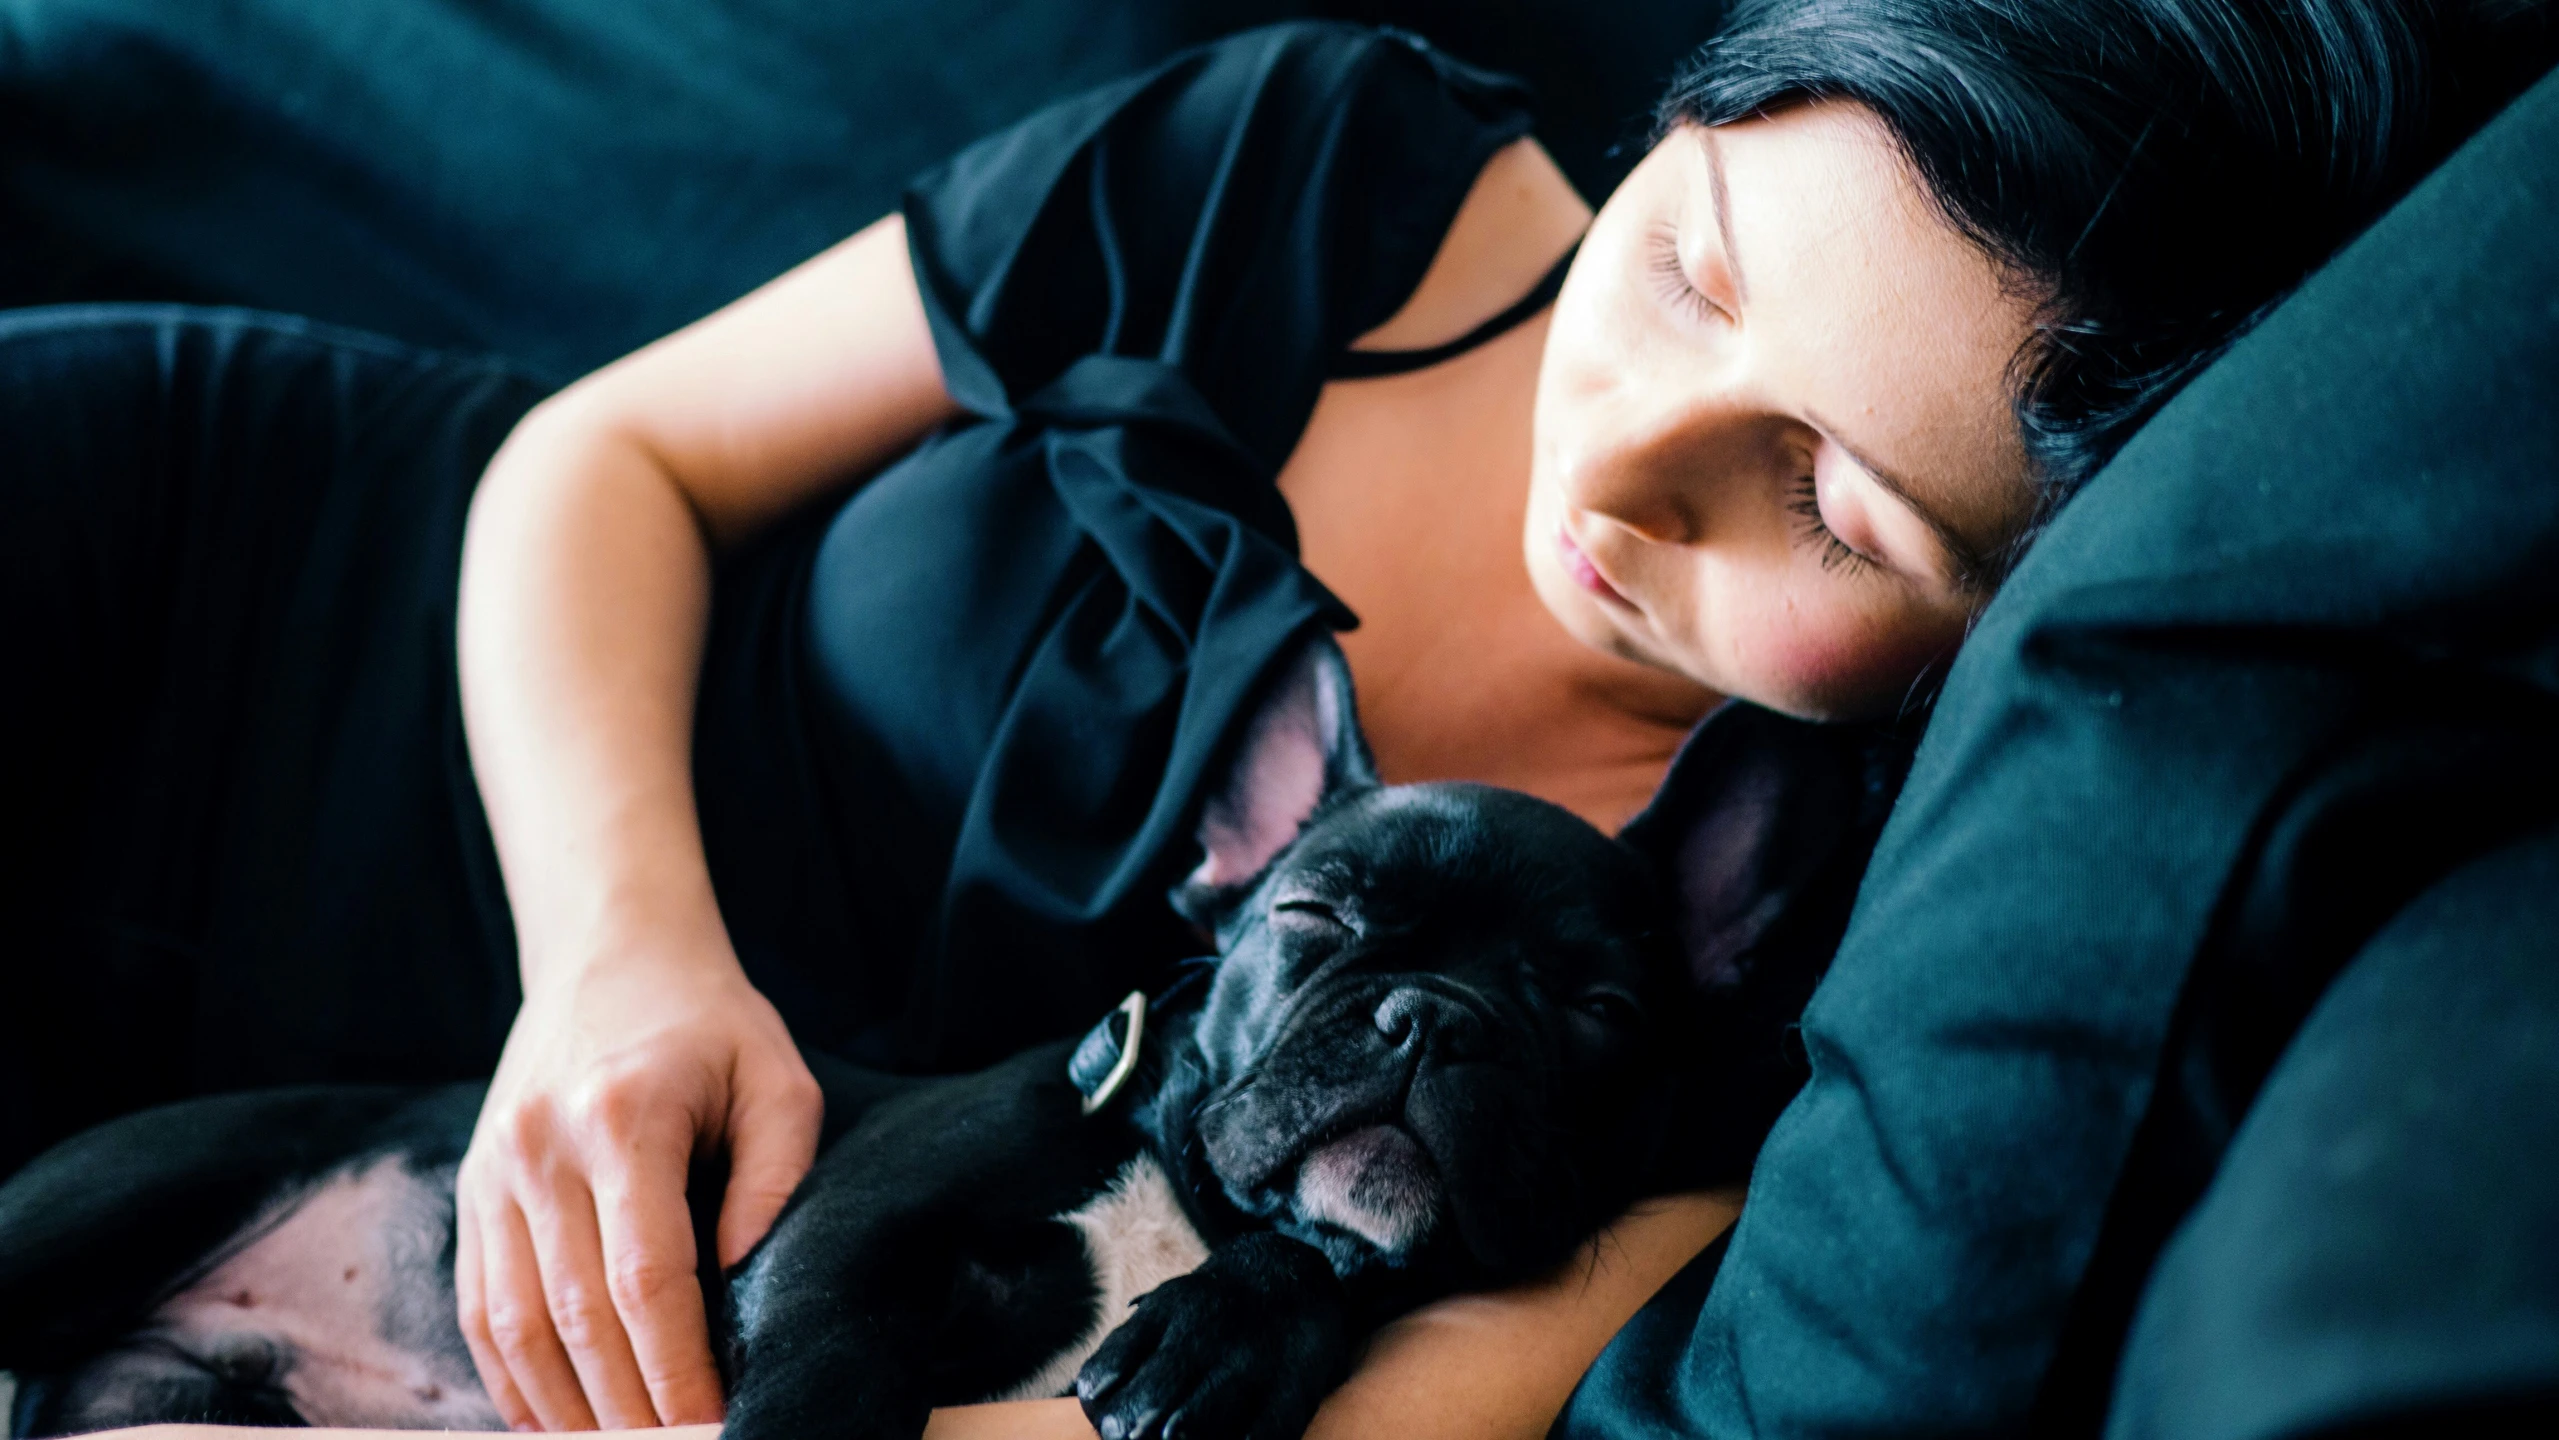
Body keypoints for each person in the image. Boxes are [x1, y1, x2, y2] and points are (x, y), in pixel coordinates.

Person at [3, 1, 2542, 1436]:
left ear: (2002, 617)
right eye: (1681, 268)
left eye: (1836, 509)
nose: (1626, 475)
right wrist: (618, 951)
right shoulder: (1333, 170)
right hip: (267, 614)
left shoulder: (1786, 953)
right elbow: (605, 454)